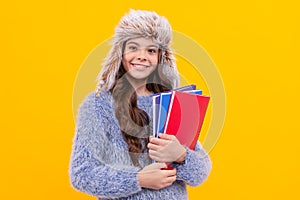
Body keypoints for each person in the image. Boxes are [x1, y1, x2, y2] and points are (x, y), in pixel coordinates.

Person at [69, 9, 212, 200]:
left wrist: (181, 155)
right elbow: (82, 174)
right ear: (120, 54)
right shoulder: (99, 105)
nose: (142, 56)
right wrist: (138, 179)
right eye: (133, 47)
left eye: (151, 50)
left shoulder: (171, 103)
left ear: (160, 57)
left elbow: (200, 173)